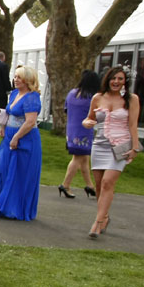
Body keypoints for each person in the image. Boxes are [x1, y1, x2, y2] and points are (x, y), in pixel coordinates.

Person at [0, 65, 42, 221]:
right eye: (15, 76)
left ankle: (12, 208)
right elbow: (8, 111)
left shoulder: (32, 97)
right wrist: (2, 126)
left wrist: (16, 137)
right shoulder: (15, 93)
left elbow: (30, 122)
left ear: (28, 80)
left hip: (25, 139)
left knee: (18, 173)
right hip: (9, 136)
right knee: (0, 167)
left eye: (19, 77)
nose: (15, 80)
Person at [82, 66, 142, 238]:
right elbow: (89, 118)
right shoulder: (98, 97)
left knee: (108, 182)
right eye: (113, 78)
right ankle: (105, 217)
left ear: (125, 81)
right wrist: (86, 123)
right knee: (99, 185)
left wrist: (135, 148)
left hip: (120, 146)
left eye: (120, 79)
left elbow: (133, 125)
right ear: (107, 80)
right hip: (99, 145)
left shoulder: (131, 99)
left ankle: (97, 222)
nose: (116, 82)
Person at [58, 70, 99, 199]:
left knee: (84, 158)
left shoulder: (72, 93)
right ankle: (65, 184)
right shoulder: (92, 97)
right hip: (84, 131)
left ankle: (90, 186)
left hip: (71, 129)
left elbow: (66, 110)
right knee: (78, 158)